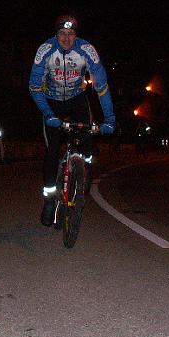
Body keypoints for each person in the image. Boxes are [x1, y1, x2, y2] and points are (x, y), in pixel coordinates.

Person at [28, 15, 116, 226]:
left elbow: (102, 87)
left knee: (87, 140)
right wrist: (48, 113)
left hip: (77, 99)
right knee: (52, 151)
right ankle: (50, 199)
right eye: (62, 34)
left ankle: (84, 169)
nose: (66, 38)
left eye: (70, 34)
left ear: (76, 35)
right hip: (52, 101)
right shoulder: (45, 50)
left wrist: (110, 119)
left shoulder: (86, 50)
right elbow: (34, 87)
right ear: (56, 34)